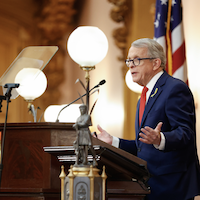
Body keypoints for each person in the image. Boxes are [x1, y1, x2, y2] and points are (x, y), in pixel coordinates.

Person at [96, 38, 200, 200]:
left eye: (136, 59)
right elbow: (142, 146)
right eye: (129, 60)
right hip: (150, 185)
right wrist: (113, 142)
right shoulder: (144, 97)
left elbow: (186, 134)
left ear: (155, 63)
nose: (130, 65)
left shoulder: (175, 89)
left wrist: (161, 138)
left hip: (172, 186)